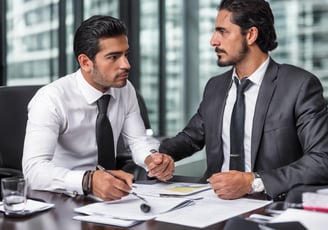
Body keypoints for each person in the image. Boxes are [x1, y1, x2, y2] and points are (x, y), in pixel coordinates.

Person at [159, 0, 328, 201]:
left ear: (250, 35)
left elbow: (321, 160)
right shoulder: (215, 86)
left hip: (270, 204)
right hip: (212, 203)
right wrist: (160, 156)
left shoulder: (299, 85)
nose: (213, 41)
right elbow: (190, 138)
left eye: (223, 32)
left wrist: (252, 182)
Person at [22, 15, 174, 201]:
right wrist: (88, 181)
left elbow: (138, 141)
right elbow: (34, 171)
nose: (126, 65)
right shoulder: (51, 99)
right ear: (86, 62)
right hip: (63, 198)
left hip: (114, 196)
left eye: (126, 54)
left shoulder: (125, 89)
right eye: (113, 57)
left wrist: (152, 159)